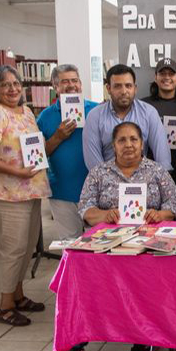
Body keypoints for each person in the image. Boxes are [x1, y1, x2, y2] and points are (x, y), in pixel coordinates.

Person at [78, 121, 176, 351]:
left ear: (142, 143)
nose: (128, 145)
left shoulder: (156, 171)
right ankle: (78, 339)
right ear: (113, 145)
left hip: (148, 243)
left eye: (133, 139)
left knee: (149, 277)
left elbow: (174, 204)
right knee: (81, 274)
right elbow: (84, 207)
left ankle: (142, 335)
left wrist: (160, 215)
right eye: (122, 140)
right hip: (108, 244)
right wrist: (104, 215)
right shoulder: (99, 173)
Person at [0, 65, 51, 327]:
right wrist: (15, 171)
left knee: (27, 246)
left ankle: (18, 295)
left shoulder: (26, 112)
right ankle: (5, 305)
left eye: (16, 83)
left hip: (29, 190)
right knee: (12, 248)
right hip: (5, 192)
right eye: (5, 84)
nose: (12, 89)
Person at [36, 64, 99, 242]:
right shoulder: (45, 116)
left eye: (74, 80)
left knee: (96, 244)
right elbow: (38, 156)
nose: (71, 85)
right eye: (64, 82)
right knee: (70, 243)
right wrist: (57, 136)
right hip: (62, 192)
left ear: (80, 84)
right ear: (55, 87)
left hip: (95, 191)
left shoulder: (97, 110)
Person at [83, 64, 171, 172]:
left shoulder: (149, 113)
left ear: (135, 88)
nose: (124, 91)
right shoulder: (94, 116)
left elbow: (163, 159)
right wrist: (110, 183)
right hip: (106, 184)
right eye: (117, 86)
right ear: (108, 88)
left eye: (128, 86)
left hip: (143, 182)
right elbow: (93, 164)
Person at [141, 58, 176, 218]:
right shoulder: (143, 106)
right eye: (162, 73)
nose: (167, 77)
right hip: (150, 179)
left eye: (171, 74)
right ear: (155, 77)